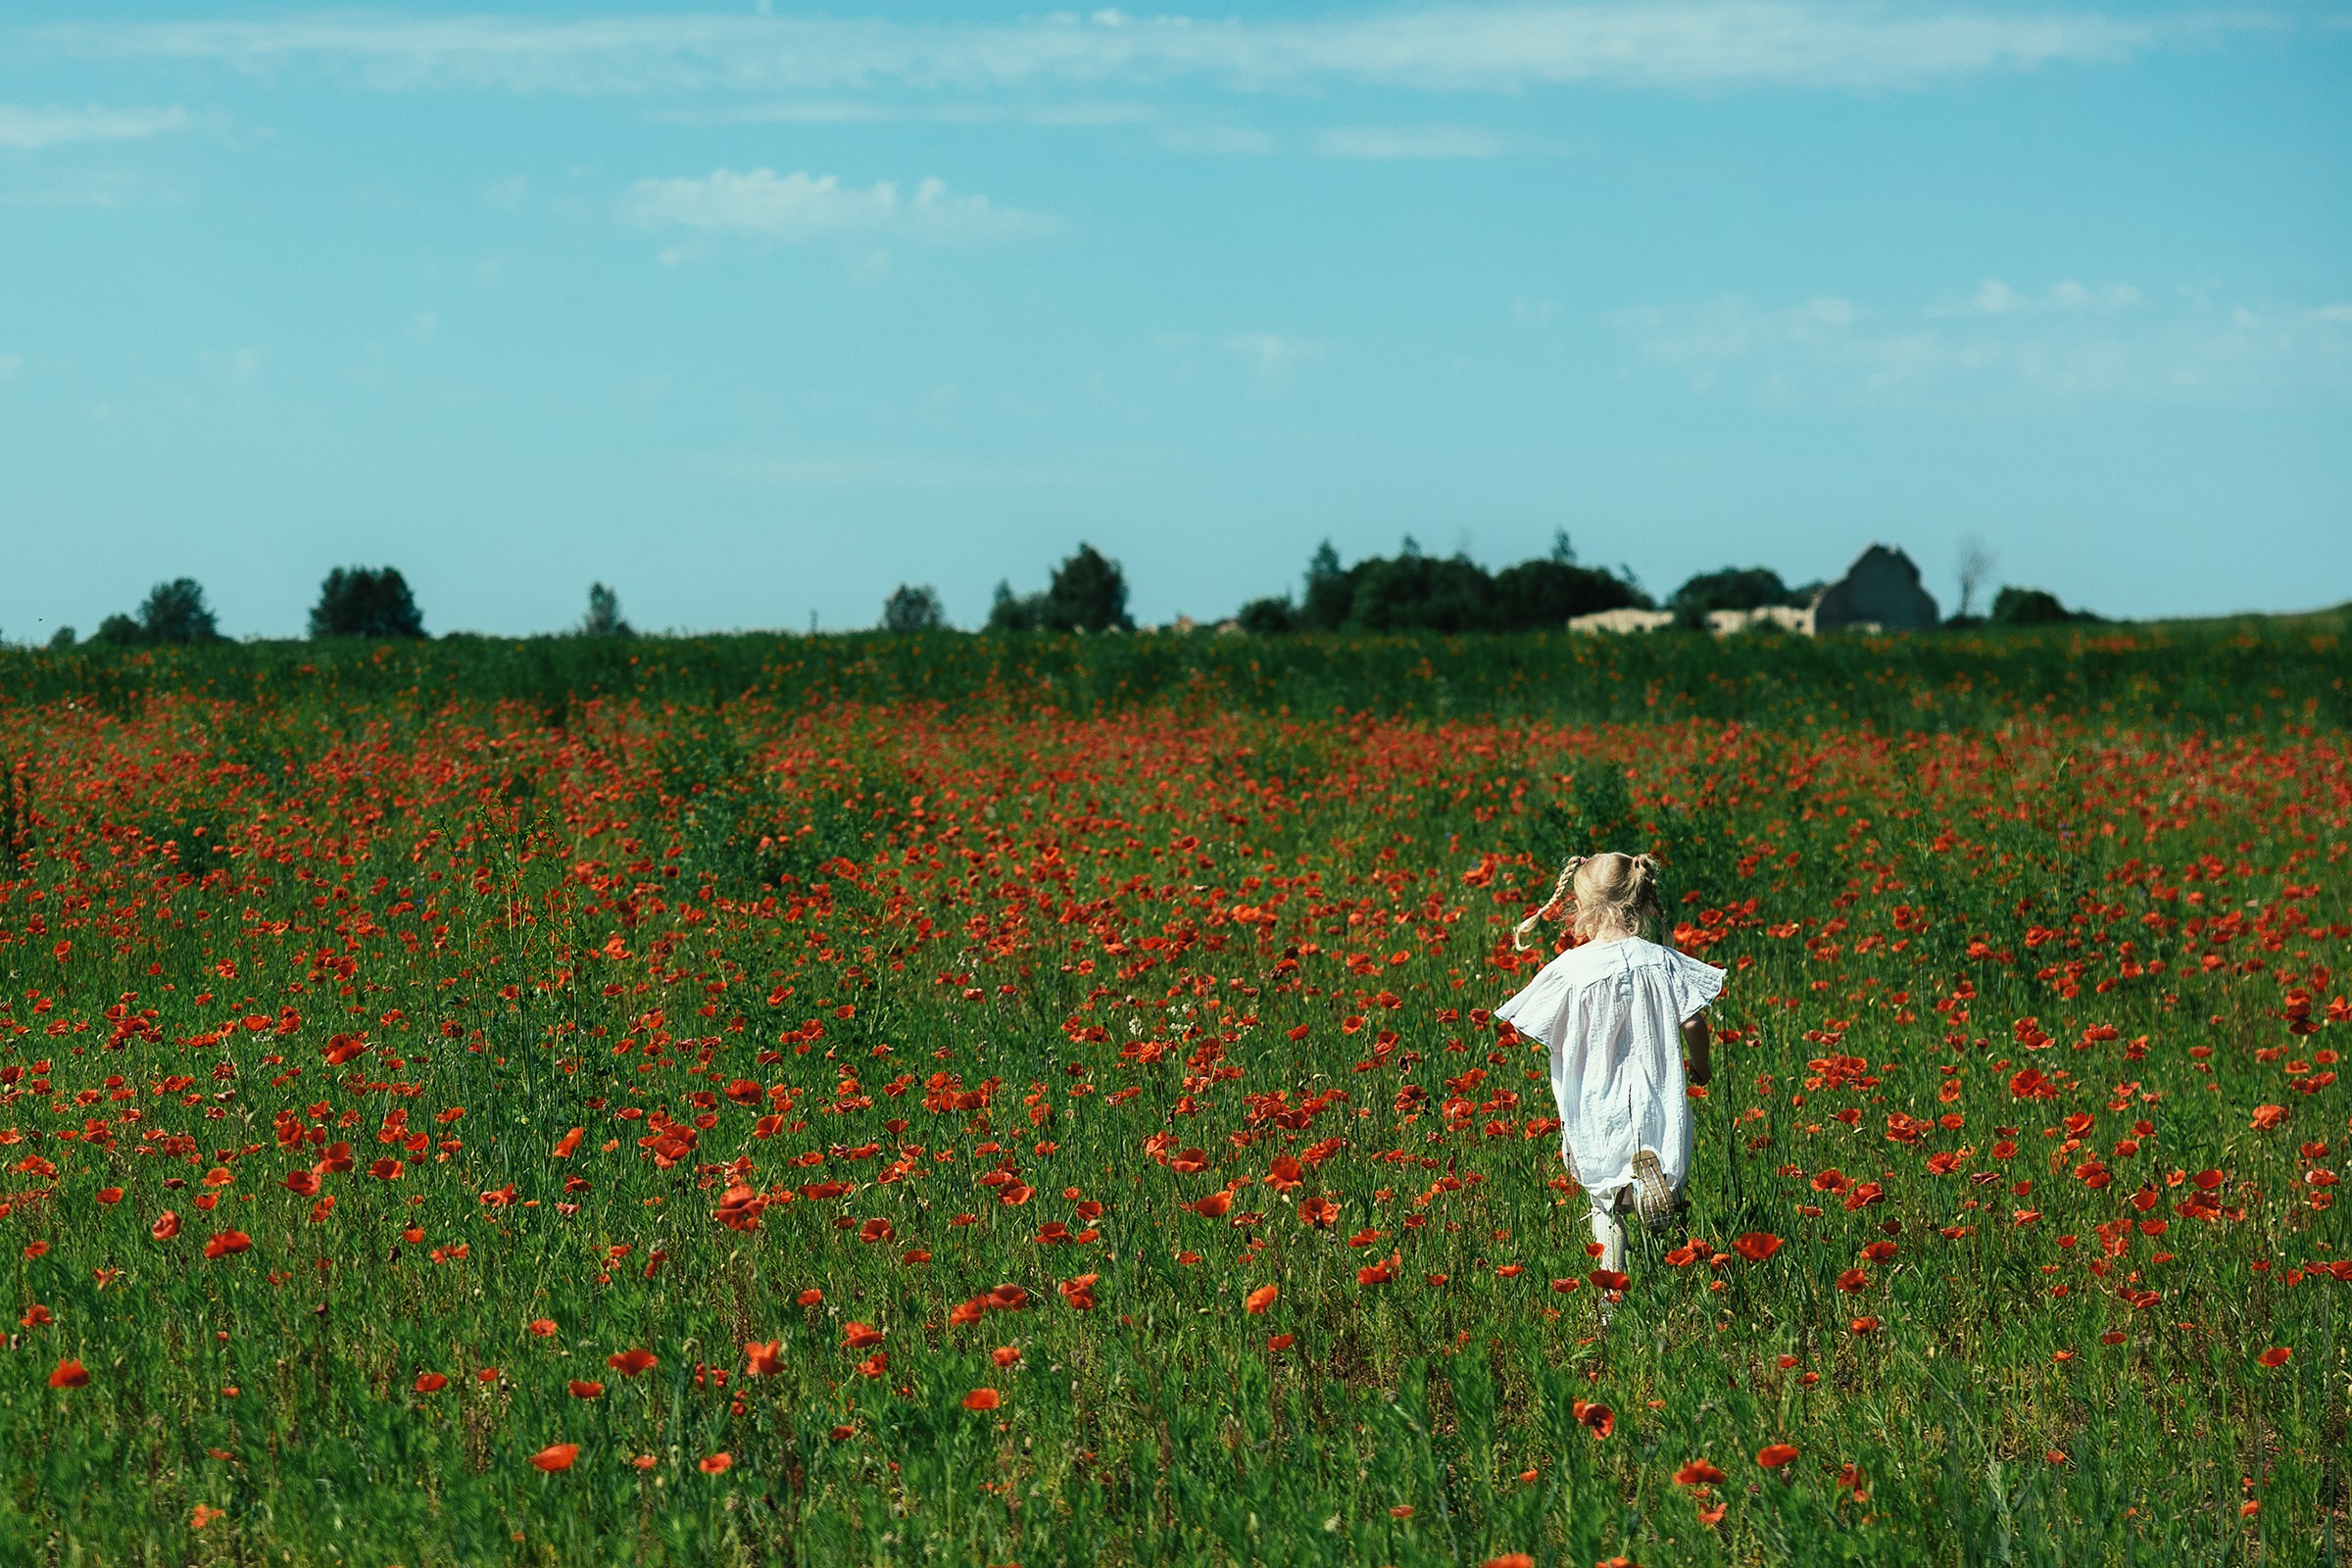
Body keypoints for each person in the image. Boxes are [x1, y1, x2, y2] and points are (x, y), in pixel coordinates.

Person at [1495, 851, 1720, 1287]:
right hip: (1656, 1093)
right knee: (1665, 1166)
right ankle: (1662, 1214)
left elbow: (1529, 1026)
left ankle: (1610, 1300)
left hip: (1596, 1097)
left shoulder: (1571, 969)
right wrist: (1701, 1064)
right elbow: (1693, 1021)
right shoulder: (1661, 959)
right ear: (1639, 900)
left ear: (1578, 907)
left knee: (1604, 1197)